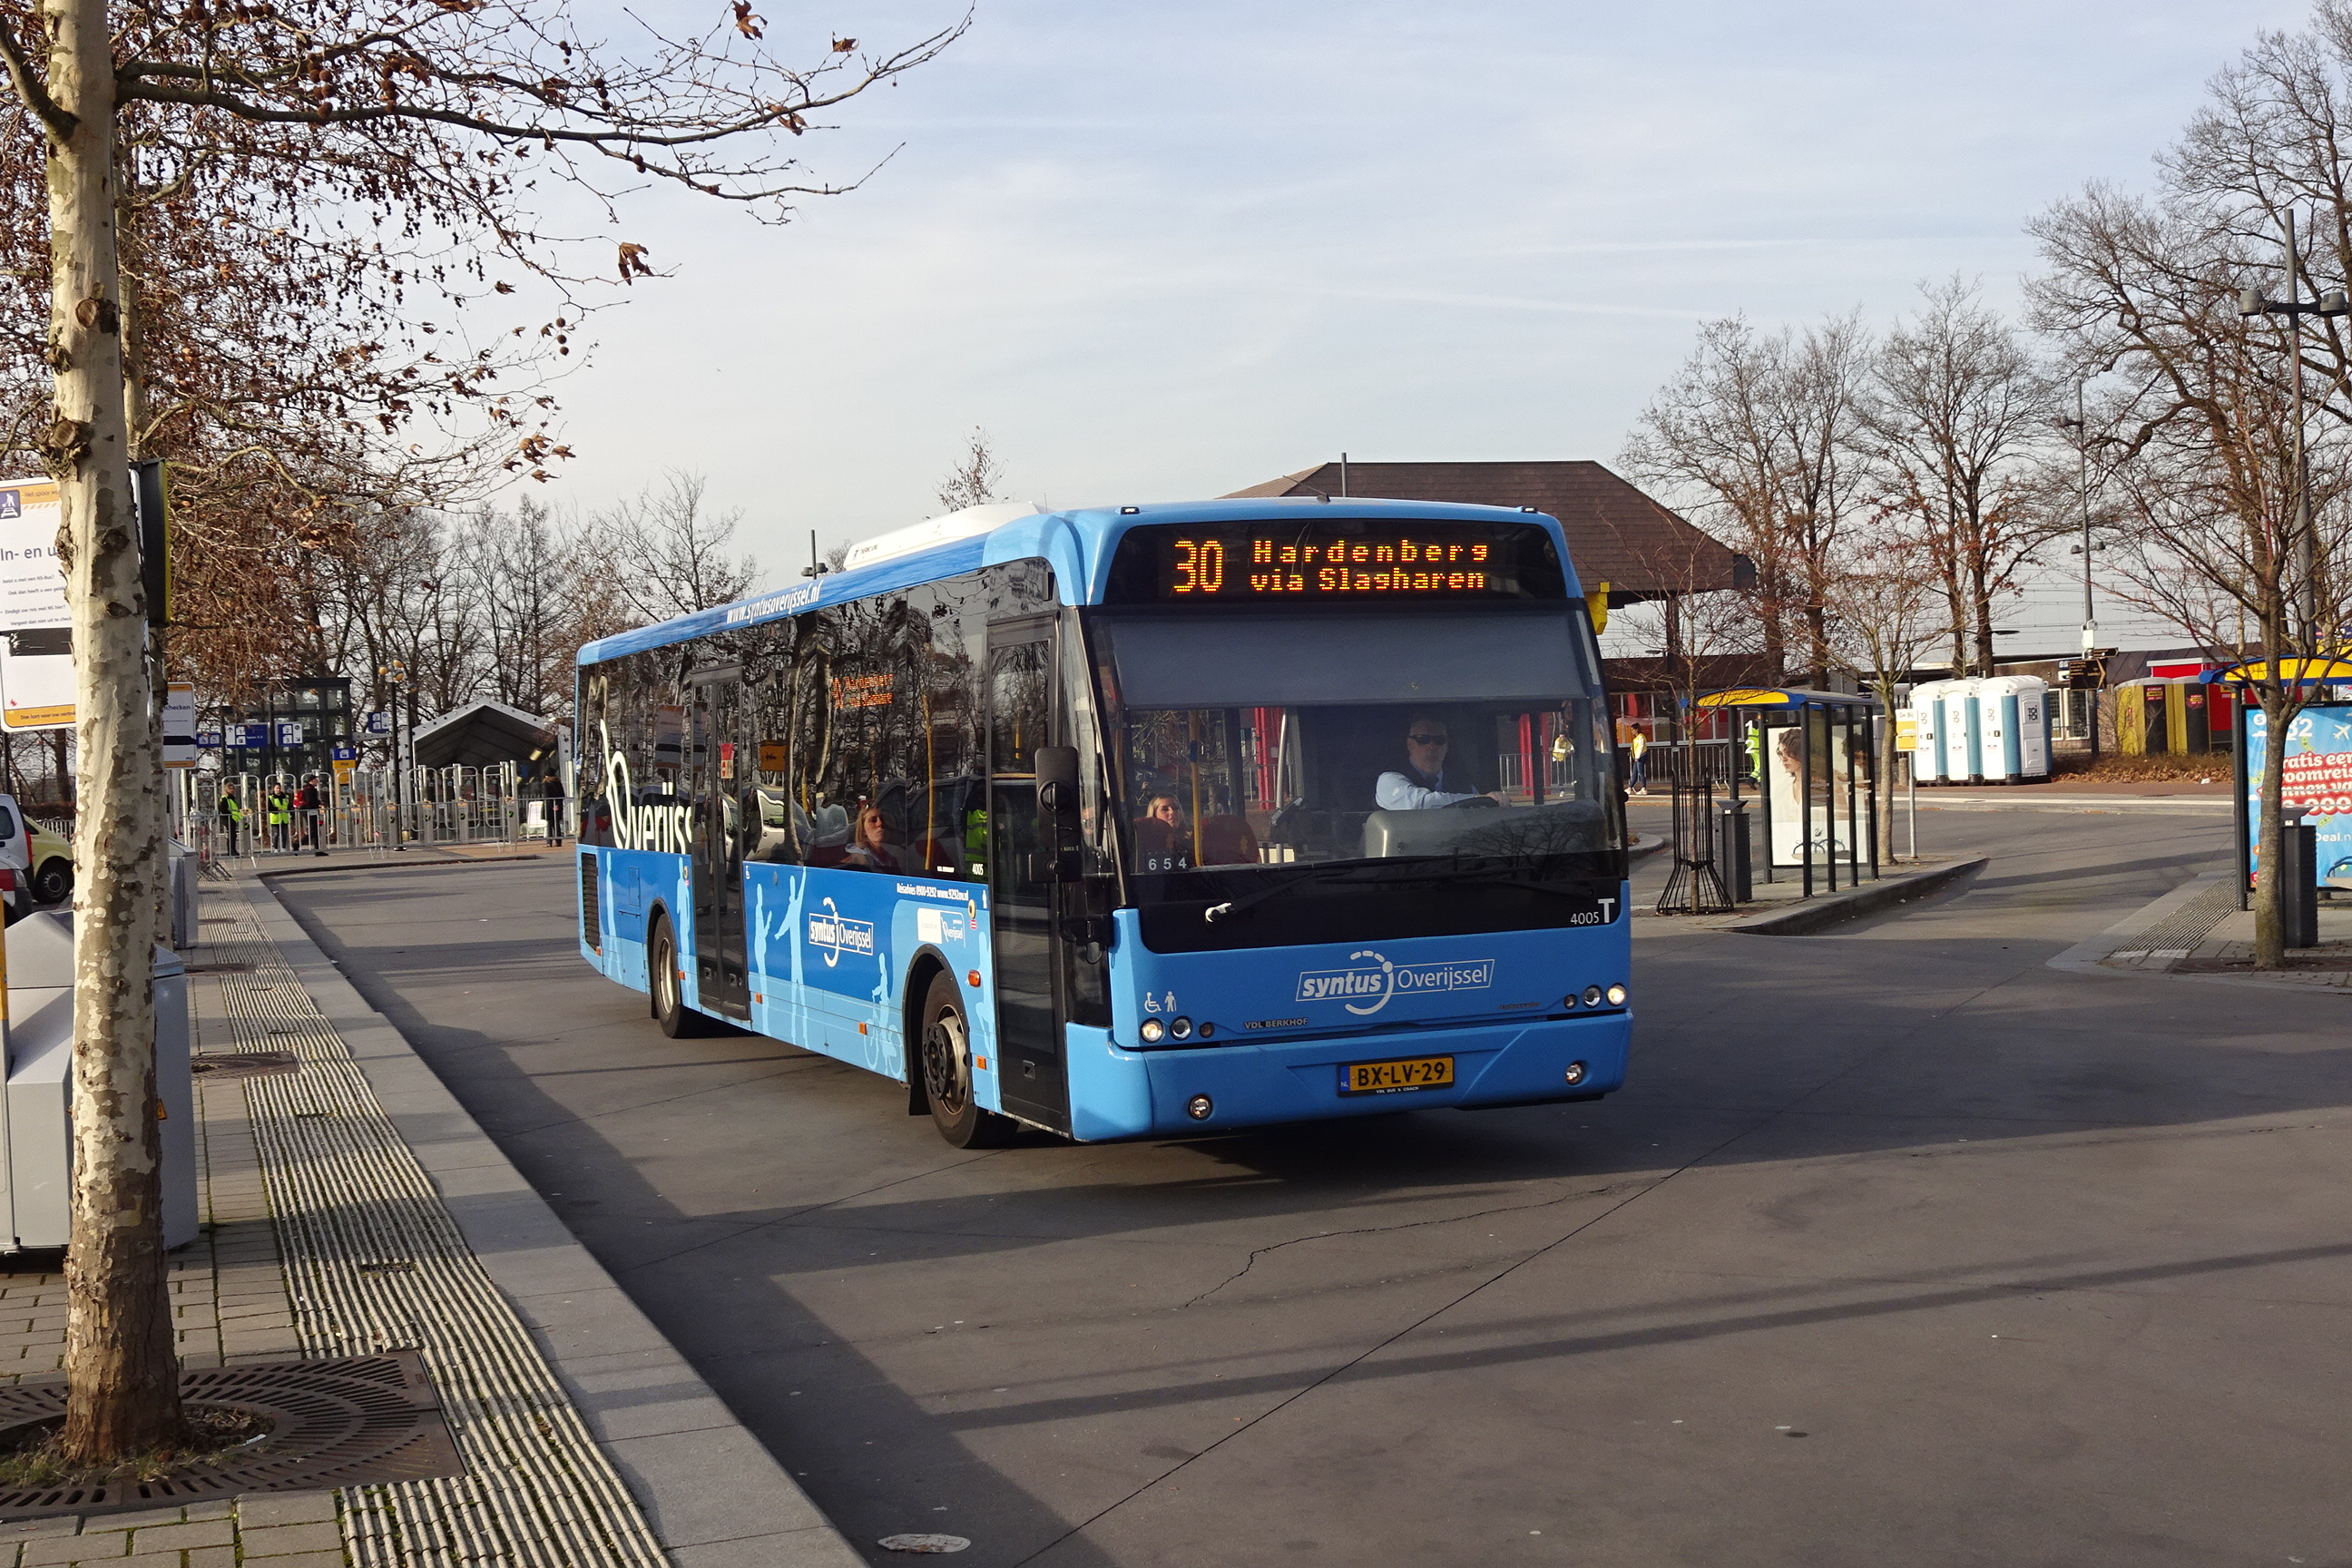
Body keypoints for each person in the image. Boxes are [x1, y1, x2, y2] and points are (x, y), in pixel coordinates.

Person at [1375, 715, 1504, 809]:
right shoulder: (1389, 780)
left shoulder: (1464, 785)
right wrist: (1475, 800)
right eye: (1423, 739)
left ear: (1447, 746)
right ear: (1410, 744)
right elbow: (1417, 804)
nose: (1432, 747)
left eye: (1439, 740)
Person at [843, 805, 900, 872]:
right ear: (863, 830)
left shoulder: (895, 859)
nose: (880, 823)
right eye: (873, 820)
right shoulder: (853, 864)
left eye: (883, 819)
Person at [295, 776, 327, 855]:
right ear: (311, 781)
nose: (317, 781)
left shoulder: (308, 789)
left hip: (311, 811)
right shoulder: (309, 789)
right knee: (314, 831)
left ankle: (317, 850)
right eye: (316, 780)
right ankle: (297, 844)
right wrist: (318, 803)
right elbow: (310, 801)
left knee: (315, 831)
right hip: (310, 812)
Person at [216, 788, 246, 857]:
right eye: (230, 789)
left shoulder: (232, 798)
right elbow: (223, 809)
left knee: (233, 835)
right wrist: (231, 813)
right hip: (228, 818)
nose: (232, 790)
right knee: (231, 835)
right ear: (226, 790)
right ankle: (231, 851)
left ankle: (232, 850)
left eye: (233, 789)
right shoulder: (225, 798)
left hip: (233, 818)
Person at [265, 783, 292, 852]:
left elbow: (289, 806)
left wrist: (291, 814)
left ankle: (283, 847)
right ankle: (276, 848)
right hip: (275, 819)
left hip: (284, 818)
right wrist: (277, 809)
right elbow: (269, 808)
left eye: (279, 788)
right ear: (274, 789)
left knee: (284, 834)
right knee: (276, 834)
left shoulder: (286, 797)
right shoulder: (271, 797)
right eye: (276, 788)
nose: (278, 789)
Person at [1627, 727, 1649, 795]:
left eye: (1632, 730)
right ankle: (1630, 788)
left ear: (1636, 729)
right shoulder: (1636, 738)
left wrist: (1637, 757)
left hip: (1640, 757)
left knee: (1640, 772)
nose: (1631, 731)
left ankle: (1644, 788)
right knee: (1635, 773)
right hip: (1637, 757)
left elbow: (1640, 747)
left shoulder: (1641, 737)